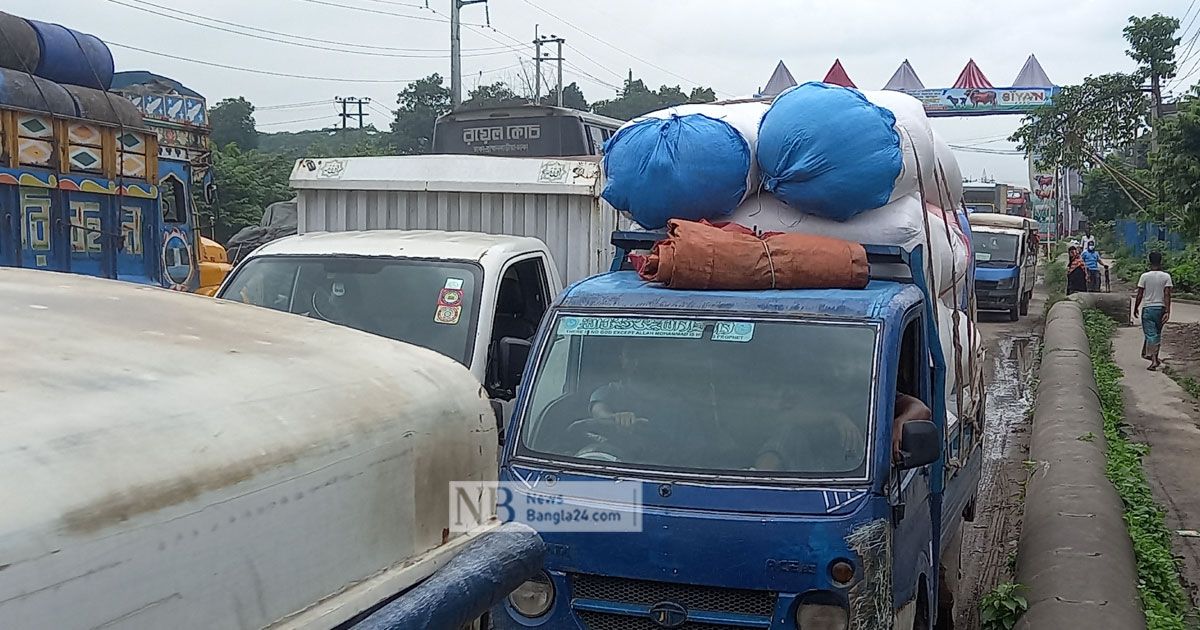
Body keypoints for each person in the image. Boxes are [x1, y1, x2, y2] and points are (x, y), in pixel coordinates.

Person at [1134, 251, 1173, 371]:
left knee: (1151, 334)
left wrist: (1135, 307)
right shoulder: (1166, 276)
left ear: (1149, 261)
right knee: (1157, 333)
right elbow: (1167, 294)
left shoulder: (1144, 276)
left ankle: (1154, 360)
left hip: (1148, 308)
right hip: (1160, 308)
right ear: (1161, 261)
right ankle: (1152, 355)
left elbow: (1140, 294)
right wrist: (1167, 311)